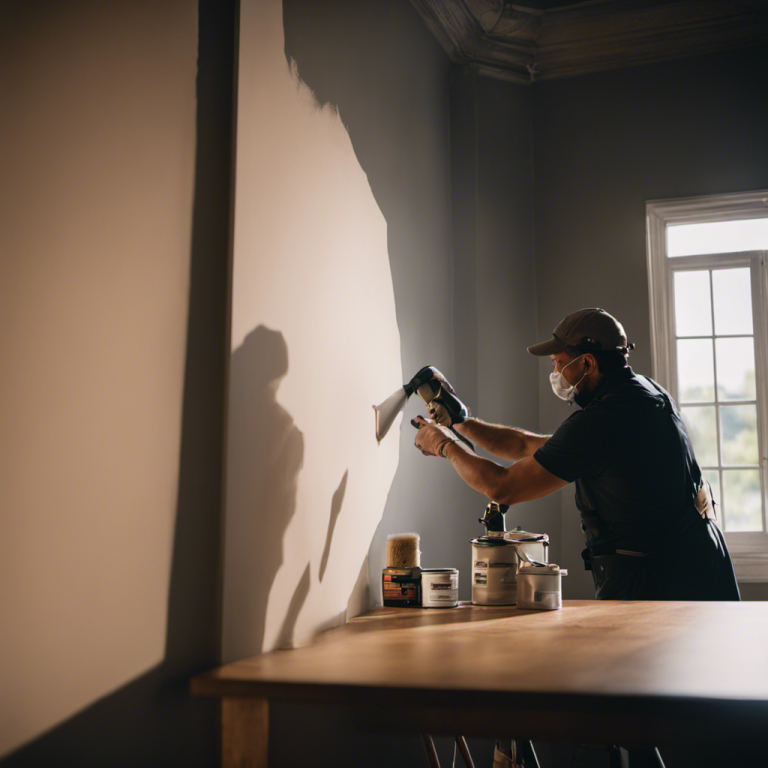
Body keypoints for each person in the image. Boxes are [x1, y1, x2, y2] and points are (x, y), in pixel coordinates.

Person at [413, 307, 739, 601]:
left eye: (558, 363)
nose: (555, 373)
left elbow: (503, 486)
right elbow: (528, 446)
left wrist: (444, 445)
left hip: (660, 580)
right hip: (699, 564)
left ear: (587, 362)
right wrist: (462, 423)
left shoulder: (601, 421)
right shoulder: (643, 392)